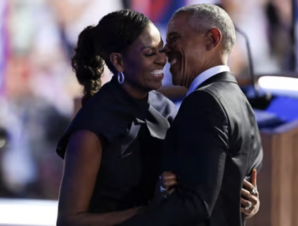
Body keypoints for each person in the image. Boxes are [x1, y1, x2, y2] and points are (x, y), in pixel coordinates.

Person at [56, 9, 259, 226]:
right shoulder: (91, 129)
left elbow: (194, 185)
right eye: (149, 53)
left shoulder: (167, 109)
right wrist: (149, 210)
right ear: (119, 62)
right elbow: (69, 221)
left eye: (161, 50)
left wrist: (241, 198)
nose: (163, 59)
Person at [118, 4, 263, 226]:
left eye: (175, 38)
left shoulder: (204, 102)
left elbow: (196, 206)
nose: (166, 50)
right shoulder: (241, 101)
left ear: (212, 39)